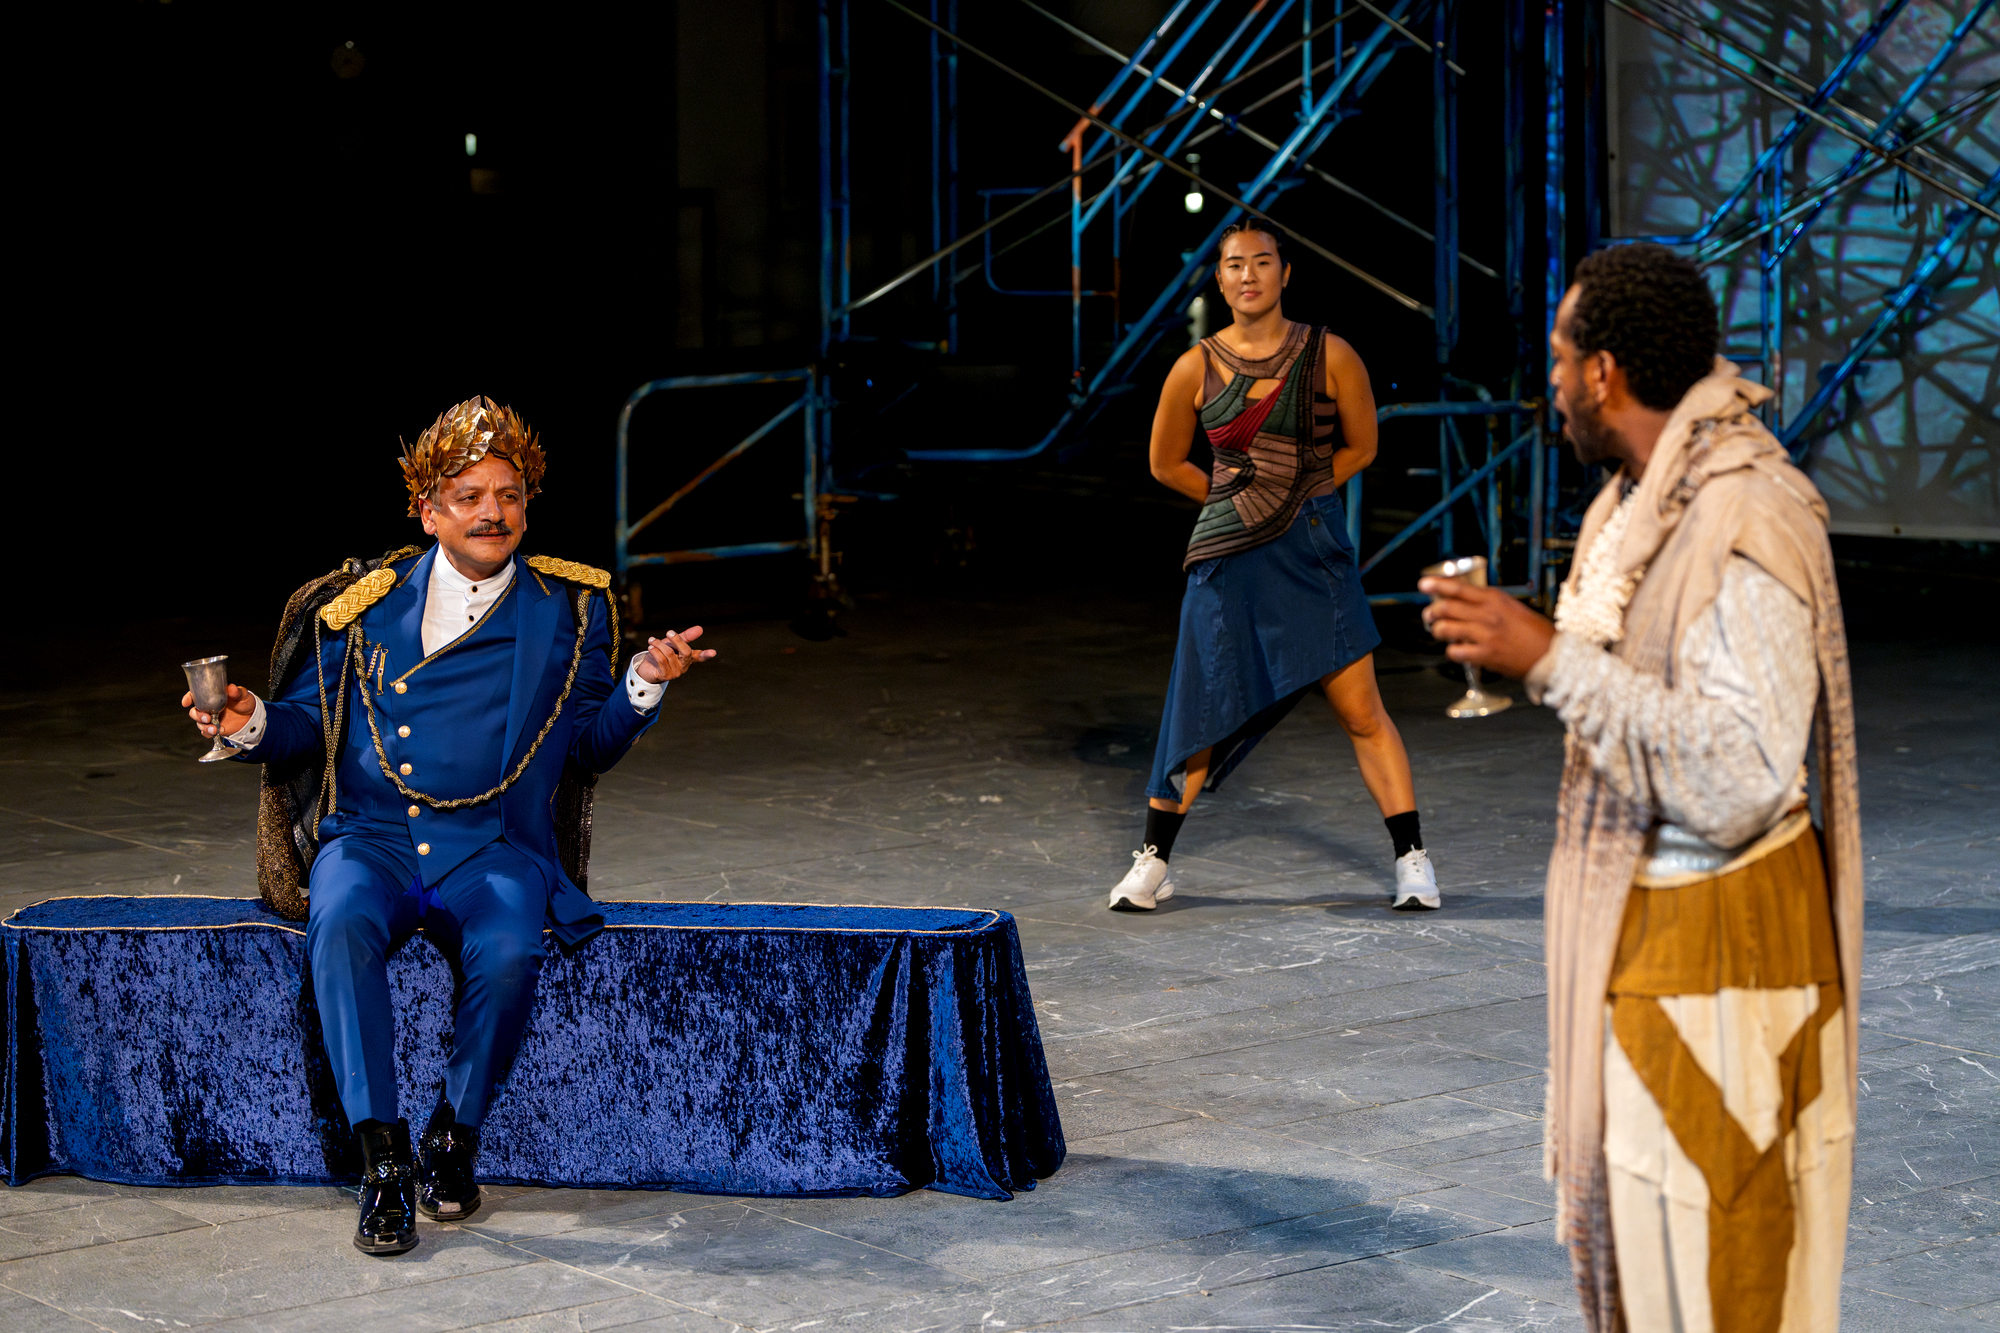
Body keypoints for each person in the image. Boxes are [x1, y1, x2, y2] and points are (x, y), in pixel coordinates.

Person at [1422, 244, 1860, 1333]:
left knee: (1723, 1286)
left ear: (1605, 371)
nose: (1553, 384)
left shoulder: (1743, 516)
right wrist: (1528, 648)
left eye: (1561, 360)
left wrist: (1549, 661)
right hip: (1655, 951)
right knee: (1652, 1286)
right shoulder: (1640, 500)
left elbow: (1742, 778)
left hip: (1728, 967)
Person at [180, 396, 716, 1256]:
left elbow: (587, 747)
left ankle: (453, 1136)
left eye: (507, 494)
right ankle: (383, 1159)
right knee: (341, 918)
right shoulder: (360, 604)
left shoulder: (572, 612)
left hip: (493, 846)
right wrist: (245, 719)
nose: (492, 512)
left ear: (527, 505)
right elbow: (303, 727)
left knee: (509, 949)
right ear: (428, 510)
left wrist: (644, 683)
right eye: (469, 496)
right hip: (374, 837)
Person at [1107, 218, 1438, 913]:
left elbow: (1364, 446)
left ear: (1285, 274)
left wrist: (1295, 500)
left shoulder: (1330, 353)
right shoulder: (1193, 366)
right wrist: (1237, 503)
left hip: (1313, 554)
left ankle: (1413, 859)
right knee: (1200, 707)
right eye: (1235, 264)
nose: (1249, 275)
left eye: (1262, 262)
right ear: (1220, 278)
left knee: (1361, 708)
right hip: (1226, 558)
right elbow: (1165, 463)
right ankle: (1153, 860)